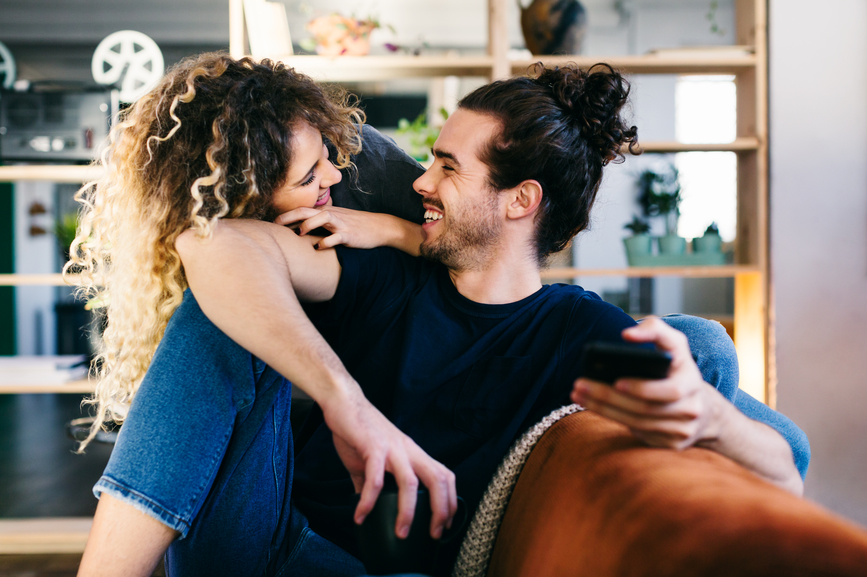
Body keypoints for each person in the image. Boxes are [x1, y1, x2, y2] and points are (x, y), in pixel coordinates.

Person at [78, 59, 808, 577]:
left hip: (368, 566)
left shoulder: (579, 332)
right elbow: (213, 241)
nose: (418, 181)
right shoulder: (376, 270)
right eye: (428, 160)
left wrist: (707, 418)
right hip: (262, 532)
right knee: (223, 314)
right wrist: (348, 402)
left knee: (703, 344)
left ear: (520, 200)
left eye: (448, 168)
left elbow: (785, 470)